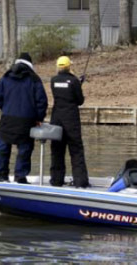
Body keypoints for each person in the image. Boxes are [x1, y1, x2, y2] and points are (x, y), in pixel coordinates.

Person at [0, 53, 48, 183]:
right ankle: (20, 177)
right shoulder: (34, 79)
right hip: (27, 121)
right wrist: (39, 118)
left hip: (7, 119)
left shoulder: (6, 77)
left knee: (3, 148)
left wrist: (6, 108)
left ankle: (0, 174)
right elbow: (42, 101)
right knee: (24, 149)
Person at [48, 56, 89, 188]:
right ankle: (80, 181)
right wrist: (78, 82)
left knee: (57, 150)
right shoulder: (74, 81)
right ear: (69, 66)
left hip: (56, 119)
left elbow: (63, 91)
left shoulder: (53, 80)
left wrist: (76, 81)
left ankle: (56, 180)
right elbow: (79, 101)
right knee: (76, 150)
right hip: (71, 119)